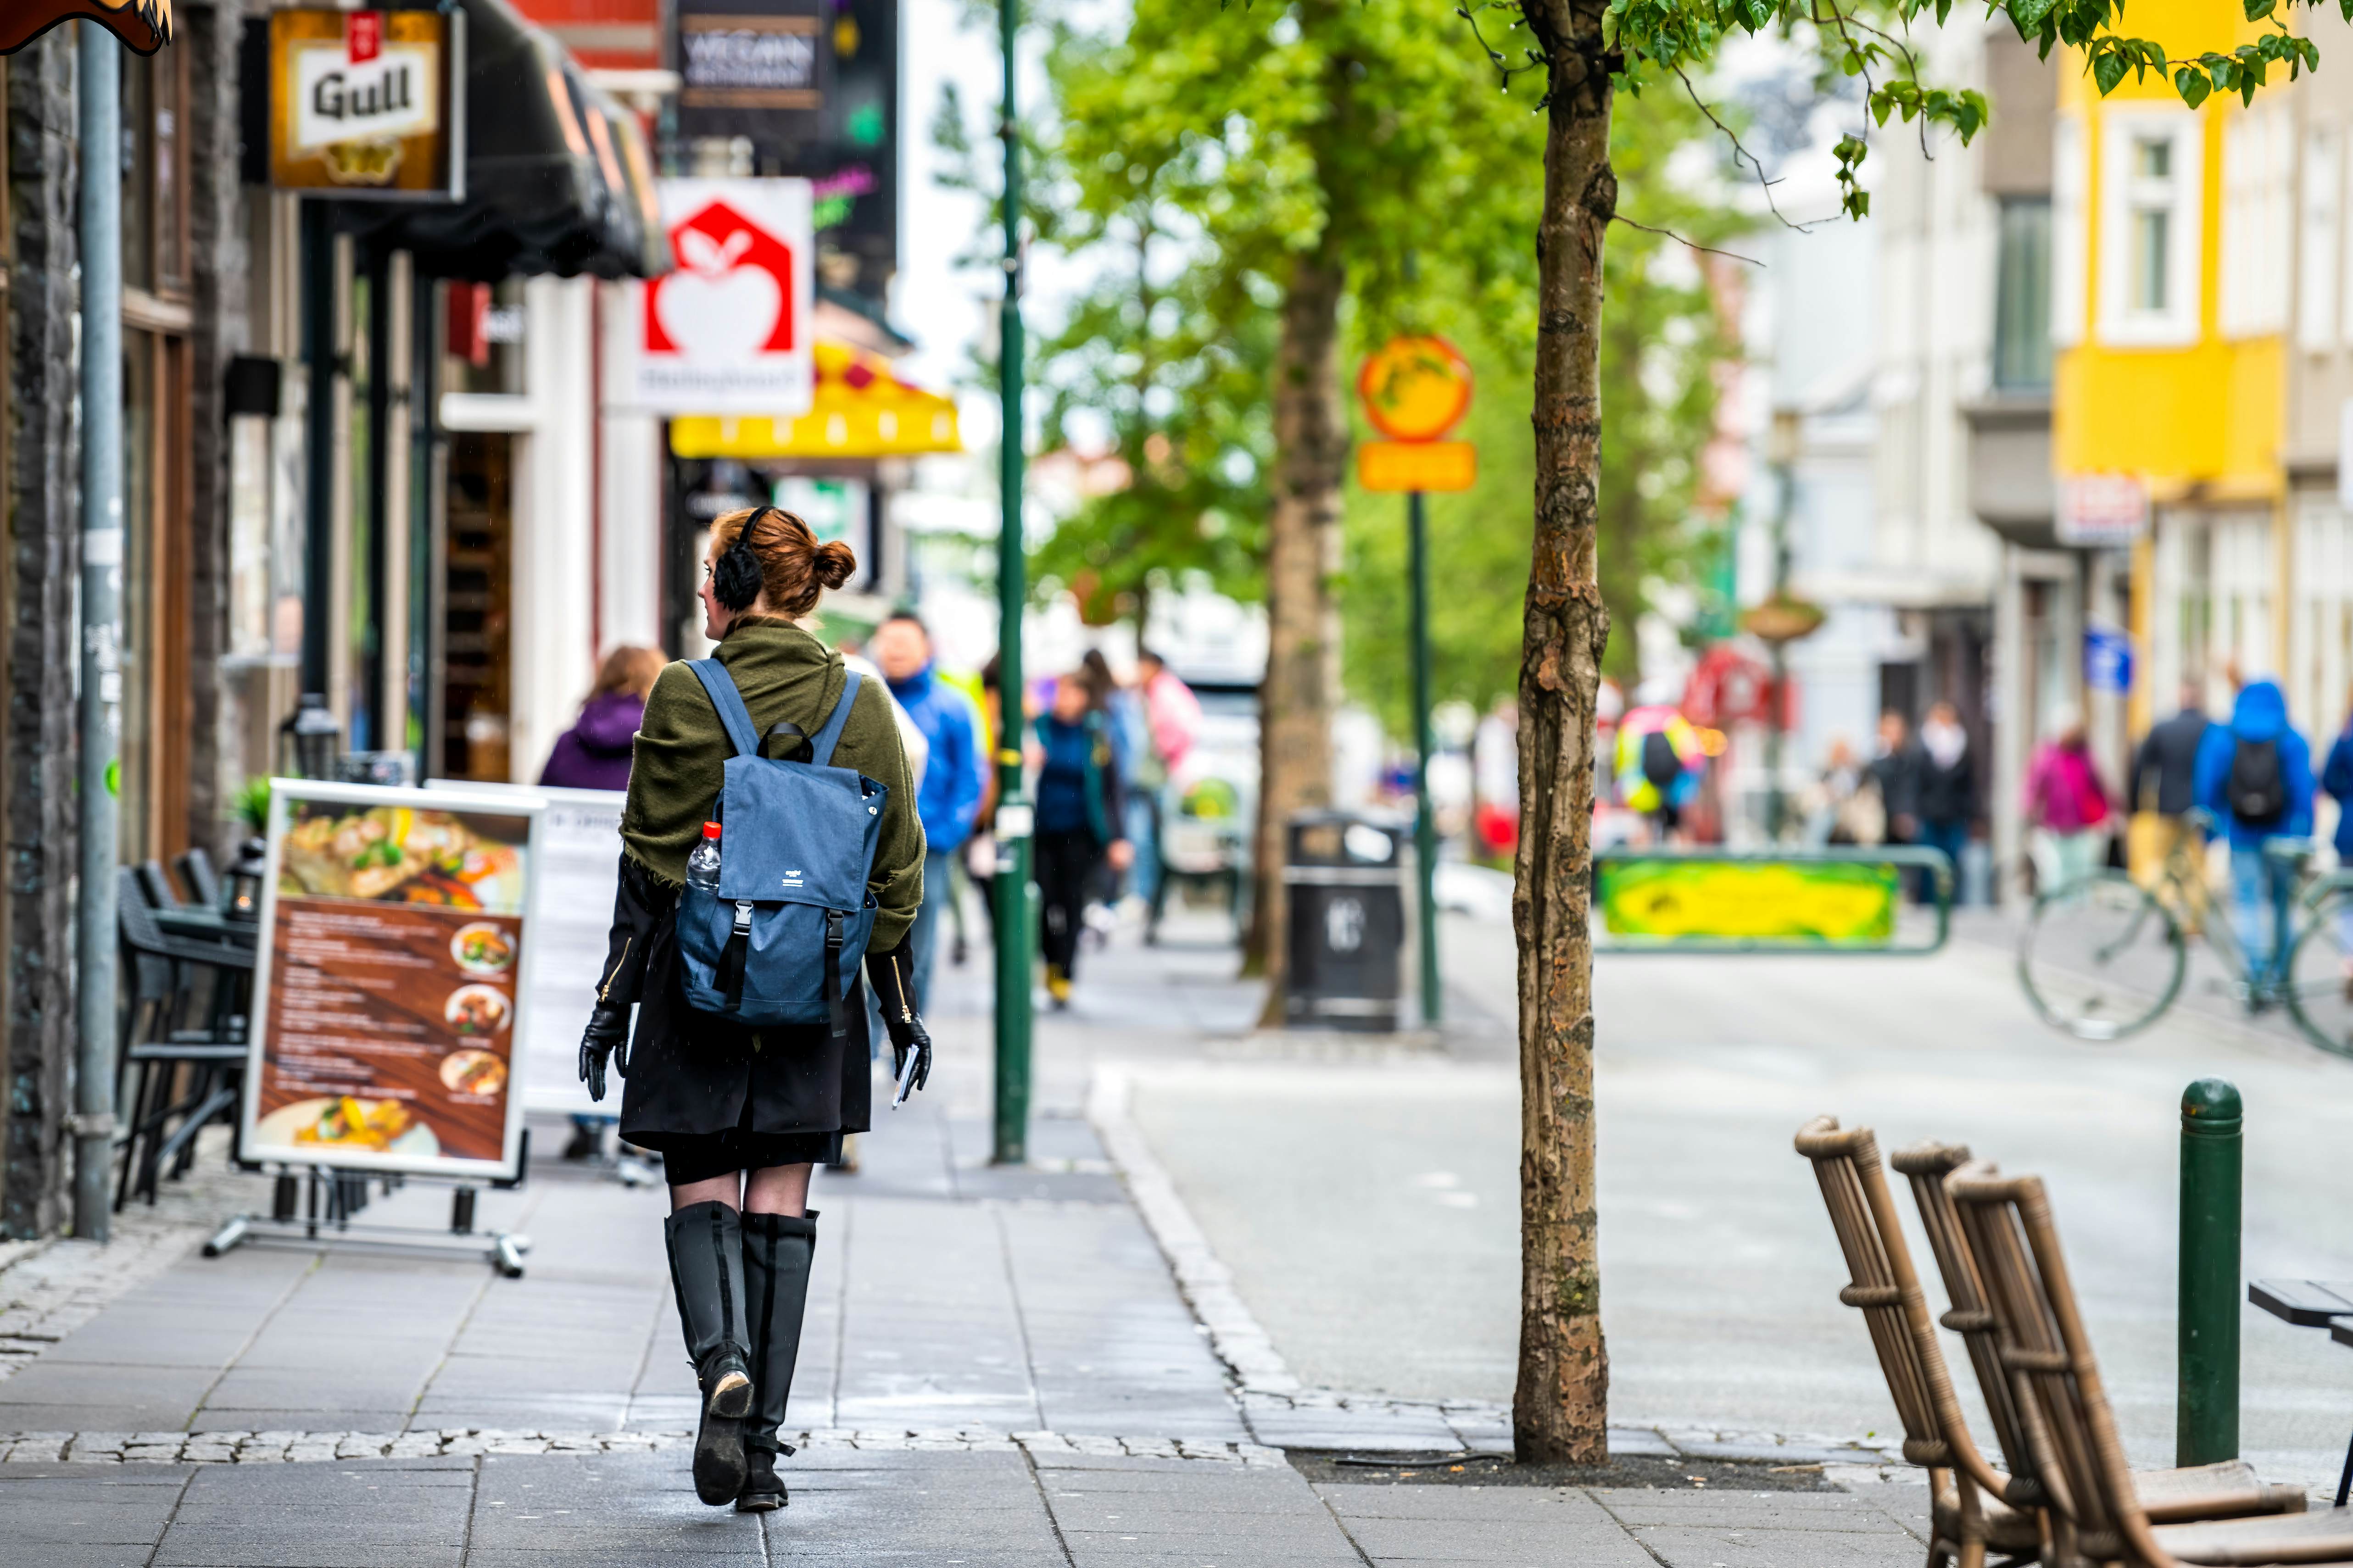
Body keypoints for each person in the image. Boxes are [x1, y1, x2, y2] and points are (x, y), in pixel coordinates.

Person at [574, 506, 931, 1514]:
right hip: (813, 991)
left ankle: (719, 1362)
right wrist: (894, 1003)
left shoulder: (686, 690)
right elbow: (893, 870)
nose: (699, 592)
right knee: (781, 1198)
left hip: (694, 984)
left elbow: (646, 864)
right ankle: (760, 1454)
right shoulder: (860, 702)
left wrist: (611, 1002)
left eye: (705, 574)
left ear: (733, 585)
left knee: (702, 1184)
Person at [540, 646, 664, 1162]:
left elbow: (541, 804)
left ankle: (585, 1116)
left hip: (569, 896)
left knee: (578, 997)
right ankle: (634, 1123)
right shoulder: (662, 741)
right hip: (638, 900)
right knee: (642, 994)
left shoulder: (571, 740)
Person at [870, 611, 985, 1015]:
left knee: (919, 943)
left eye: (906, 643)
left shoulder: (952, 705)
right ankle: (867, 1041)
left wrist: (946, 833)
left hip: (930, 845)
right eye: (889, 642)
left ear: (927, 648)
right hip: (868, 846)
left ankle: (908, 1032)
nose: (896, 651)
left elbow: (970, 776)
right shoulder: (865, 698)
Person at [2195, 677, 2314, 982]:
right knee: (2281, 906)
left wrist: (2211, 831)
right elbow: (2304, 791)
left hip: (2241, 832)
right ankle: (2282, 975)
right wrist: (2306, 836)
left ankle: (2254, 975)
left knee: (2247, 902)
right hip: (2284, 834)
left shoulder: (2224, 736)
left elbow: (2207, 787)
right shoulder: (2292, 738)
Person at [1032, 672, 1131, 1006]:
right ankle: (1050, 960)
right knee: (1042, 901)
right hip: (1041, 830)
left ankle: (1066, 971)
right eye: (1061, 692)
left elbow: (1113, 788)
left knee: (1072, 901)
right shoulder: (1038, 729)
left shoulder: (1096, 735)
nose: (1065, 700)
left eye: (1073, 693)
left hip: (1082, 832)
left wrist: (1119, 837)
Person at [540, 646, 664, 791]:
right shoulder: (666, 747)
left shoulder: (567, 744)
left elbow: (541, 804)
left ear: (602, 679)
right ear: (658, 683)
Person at [2130, 679, 2214, 886]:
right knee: (2195, 865)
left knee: (2163, 861)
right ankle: (2193, 916)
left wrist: (2135, 806)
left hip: (2167, 807)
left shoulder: (2162, 729)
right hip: (2199, 807)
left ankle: (2169, 907)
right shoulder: (2212, 729)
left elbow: (2140, 768)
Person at [2022, 707, 2113, 890]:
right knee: (2055, 872)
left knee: (2082, 871)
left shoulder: (2085, 754)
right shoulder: (2047, 756)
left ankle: (2079, 910)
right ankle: (2058, 910)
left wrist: (2110, 810)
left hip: (2083, 824)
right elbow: (2034, 784)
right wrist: (2029, 808)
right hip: (2054, 824)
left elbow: (2099, 784)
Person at [1914, 702, 1976, 903]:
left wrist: (1972, 813)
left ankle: (1951, 905)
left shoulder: (1963, 748)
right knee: (1929, 865)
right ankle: (1928, 904)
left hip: (1955, 817)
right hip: (1929, 816)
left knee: (1953, 864)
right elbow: (1916, 783)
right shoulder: (1922, 748)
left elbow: (1969, 786)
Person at [2318, 691, 2353, 988]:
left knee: (2348, 902)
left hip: (2349, 830)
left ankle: (2350, 962)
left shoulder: (2345, 736)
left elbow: (2328, 779)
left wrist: (2347, 798)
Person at [1867, 710, 1923, 853]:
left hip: (1907, 830)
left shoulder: (1911, 760)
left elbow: (1913, 789)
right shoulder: (1875, 762)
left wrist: (1906, 813)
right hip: (1881, 829)